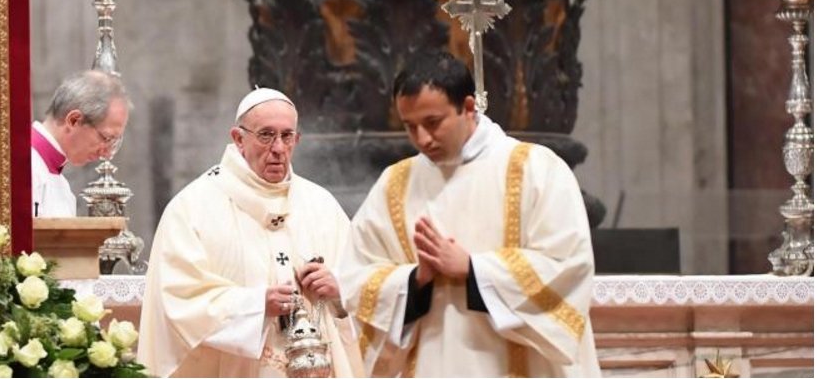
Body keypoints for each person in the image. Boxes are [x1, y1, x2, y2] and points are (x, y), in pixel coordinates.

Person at [336, 52, 601, 377]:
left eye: (433, 122)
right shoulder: (396, 184)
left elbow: (568, 264)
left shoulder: (536, 169)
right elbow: (356, 278)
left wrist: (473, 269)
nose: (422, 139)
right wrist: (414, 280)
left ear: (469, 108)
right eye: (410, 126)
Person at [139, 88, 364, 377]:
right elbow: (177, 298)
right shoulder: (192, 208)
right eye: (266, 135)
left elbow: (363, 284)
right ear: (238, 138)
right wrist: (256, 306)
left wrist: (338, 289)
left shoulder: (320, 205)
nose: (279, 148)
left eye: (287, 136)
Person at [31, 70, 131, 217]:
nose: (108, 153)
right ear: (73, 120)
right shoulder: (25, 164)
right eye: (106, 138)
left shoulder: (61, 183)